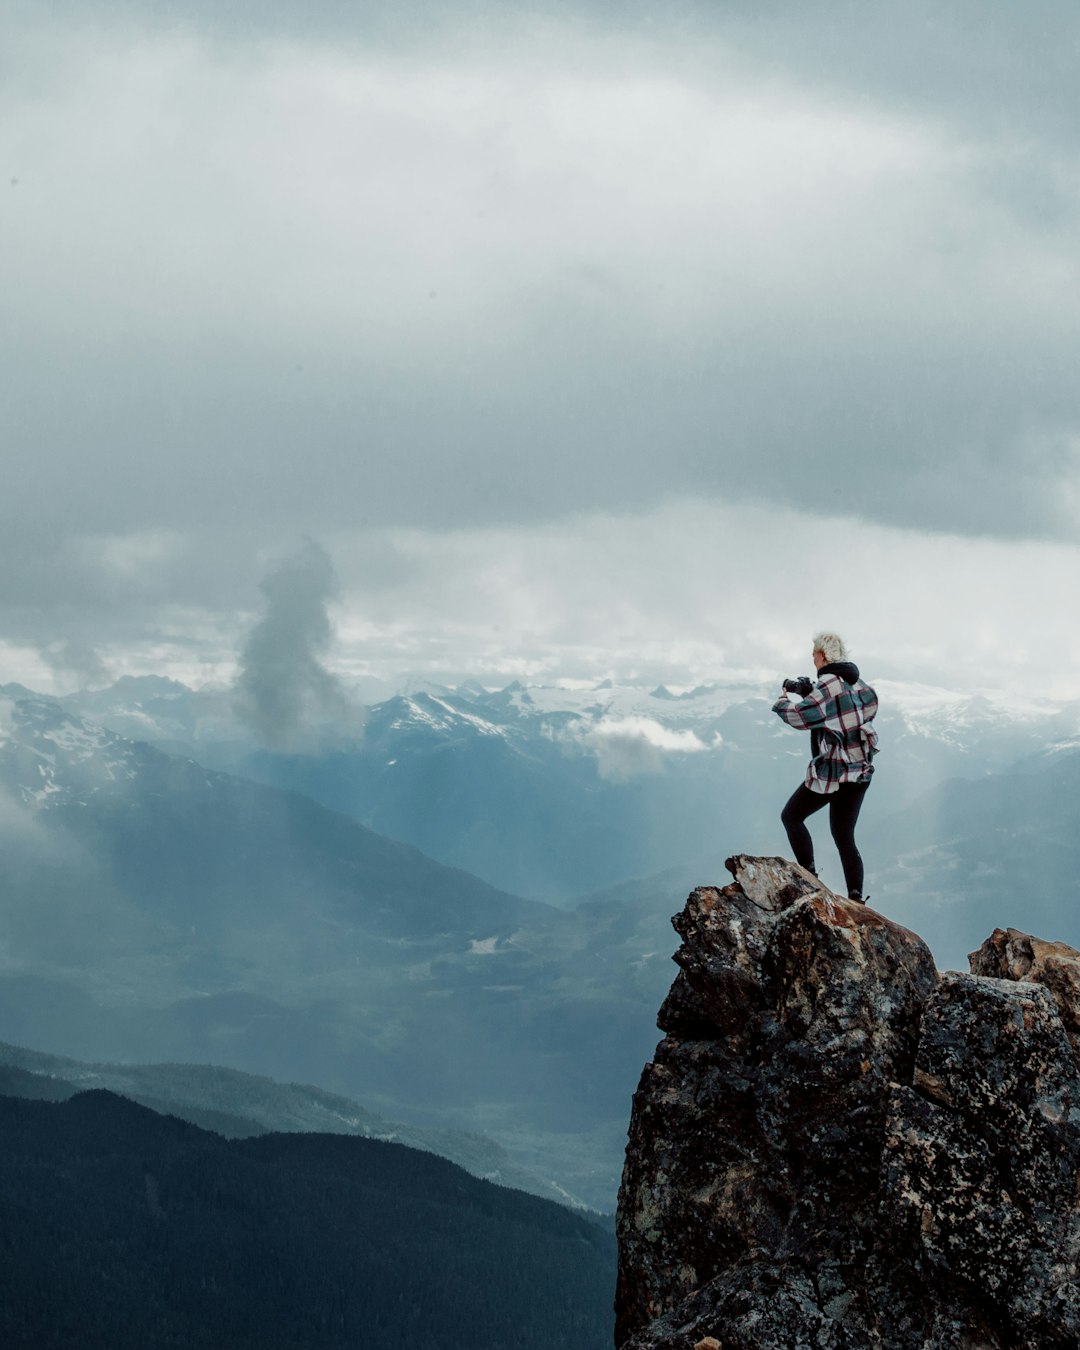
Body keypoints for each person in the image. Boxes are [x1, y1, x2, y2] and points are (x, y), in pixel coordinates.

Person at [772, 631, 878, 902]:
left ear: (822, 655)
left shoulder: (829, 683)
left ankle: (809, 880)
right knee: (844, 837)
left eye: (813, 655)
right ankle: (856, 899)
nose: (812, 659)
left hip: (835, 771)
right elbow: (866, 705)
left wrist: (783, 700)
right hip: (860, 772)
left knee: (791, 817)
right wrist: (816, 695)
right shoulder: (857, 681)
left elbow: (799, 717)